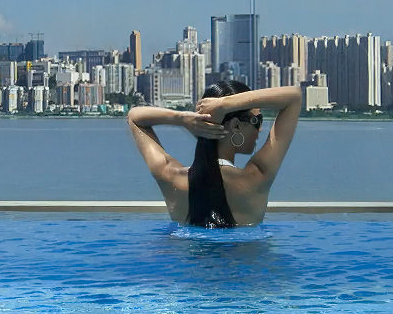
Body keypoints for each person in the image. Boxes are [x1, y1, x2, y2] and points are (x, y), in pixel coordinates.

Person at [125, 79, 304, 227]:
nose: (260, 128)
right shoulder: (257, 176)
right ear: (236, 126)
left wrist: (182, 119)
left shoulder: (171, 177)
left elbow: (135, 117)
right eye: (257, 119)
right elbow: (294, 97)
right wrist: (224, 105)